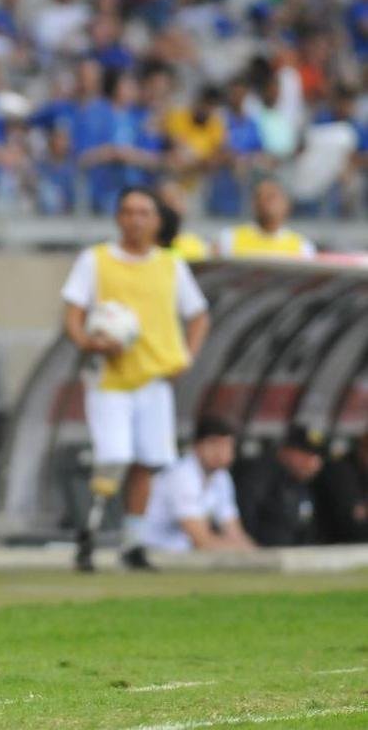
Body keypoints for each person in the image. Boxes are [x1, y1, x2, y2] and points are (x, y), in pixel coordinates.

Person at [62, 187, 210, 572]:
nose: (136, 220)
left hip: (155, 379)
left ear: (157, 221)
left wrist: (188, 357)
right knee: (114, 457)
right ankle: (89, 532)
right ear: (117, 217)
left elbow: (199, 315)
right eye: (128, 211)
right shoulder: (95, 260)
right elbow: (73, 315)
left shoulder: (171, 266)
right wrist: (90, 343)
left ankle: (132, 542)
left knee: (147, 462)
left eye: (144, 212)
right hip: (110, 379)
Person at [141, 415, 257, 553]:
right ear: (197, 446)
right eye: (214, 444)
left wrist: (259, 556)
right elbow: (201, 541)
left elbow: (234, 531)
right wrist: (249, 555)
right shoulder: (182, 475)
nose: (221, 452)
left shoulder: (222, 477)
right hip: (151, 552)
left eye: (227, 445)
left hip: (181, 553)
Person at [235, 423, 326, 546]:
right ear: (286, 450)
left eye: (316, 457)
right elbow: (246, 518)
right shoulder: (261, 474)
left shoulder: (301, 482)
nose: (314, 463)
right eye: (307, 455)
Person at [218, 179, 315, 258]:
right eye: (262, 197)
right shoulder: (230, 239)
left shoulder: (302, 247)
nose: (268, 203)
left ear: (287, 204)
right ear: (254, 203)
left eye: (272, 197)